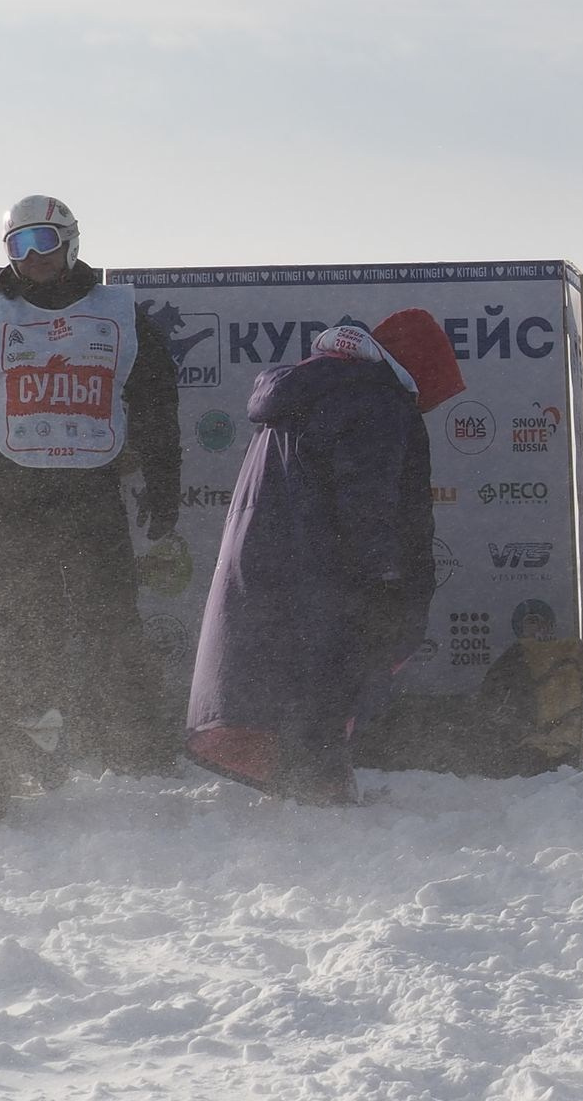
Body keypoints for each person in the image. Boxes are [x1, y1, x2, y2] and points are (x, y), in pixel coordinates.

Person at [0, 194, 183, 775]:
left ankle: (131, 745)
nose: (33, 255)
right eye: (19, 245)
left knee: (109, 618)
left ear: (70, 243)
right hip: (13, 493)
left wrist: (163, 484)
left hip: (91, 491)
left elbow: (155, 405)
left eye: (44, 241)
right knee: (23, 622)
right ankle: (30, 746)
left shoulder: (118, 313)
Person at [186, 310, 467, 805]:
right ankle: (320, 786)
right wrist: (384, 575)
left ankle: (300, 779)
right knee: (331, 669)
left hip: (274, 555)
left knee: (285, 669)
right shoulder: (376, 400)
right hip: (329, 564)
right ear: (416, 370)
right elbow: (369, 500)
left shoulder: (310, 387)